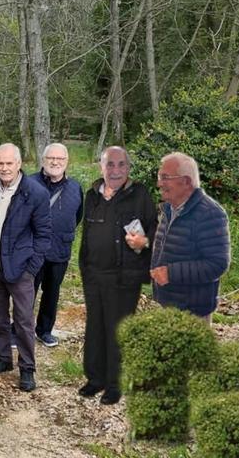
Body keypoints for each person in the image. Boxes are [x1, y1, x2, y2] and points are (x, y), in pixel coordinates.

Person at [78, 146, 156, 405]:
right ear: (102, 167)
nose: (116, 170)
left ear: (128, 168)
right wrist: (85, 269)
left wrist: (144, 242)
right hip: (94, 275)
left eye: (121, 165)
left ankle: (115, 384)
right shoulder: (92, 195)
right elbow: (87, 236)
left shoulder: (139, 195)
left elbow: (156, 232)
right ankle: (95, 379)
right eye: (110, 164)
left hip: (124, 278)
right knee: (95, 327)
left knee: (117, 331)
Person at [0, 144, 52, 391]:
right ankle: (3, 359)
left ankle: (27, 369)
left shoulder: (35, 193)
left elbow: (44, 235)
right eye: (0, 163)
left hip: (21, 269)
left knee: (23, 320)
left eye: (9, 163)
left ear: (19, 164)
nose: (4, 168)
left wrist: (32, 268)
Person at [150, 152, 230, 320]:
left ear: (186, 181)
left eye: (165, 177)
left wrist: (171, 274)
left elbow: (217, 264)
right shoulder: (169, 210)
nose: (159, 183)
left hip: (193, 311)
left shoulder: (209, 213)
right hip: (168, 303)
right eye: (159, 177)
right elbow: (171, 248)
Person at [30, 143, 83, 347]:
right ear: (43, 160)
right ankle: (18, 330)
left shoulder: (75, 187)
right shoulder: (29, 183)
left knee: (52, 293)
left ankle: (44, 331)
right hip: (33, 250)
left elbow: (78, 216)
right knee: (27, 293)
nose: (55, 162)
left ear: (66, 161)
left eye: (60, 159)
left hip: (60, 249)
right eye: (51, 158)